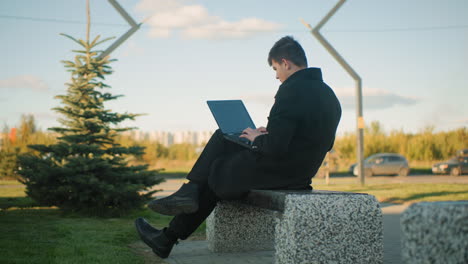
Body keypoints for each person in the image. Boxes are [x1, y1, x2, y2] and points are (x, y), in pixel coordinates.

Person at [135, 36, 342, 259]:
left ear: (285, 63)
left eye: (275, 68)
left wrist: (257, 138)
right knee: (224, 150)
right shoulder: (328, 95)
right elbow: (317, 141)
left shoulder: (291, 91)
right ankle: (171, 228)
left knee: (220, 161)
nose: (276, 75)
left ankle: (183, 204)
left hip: (280, 172)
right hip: (301, 172)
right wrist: (267, 133)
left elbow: (275, 148)